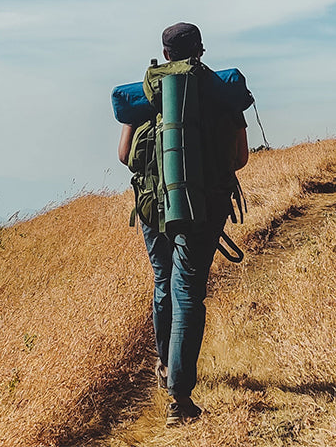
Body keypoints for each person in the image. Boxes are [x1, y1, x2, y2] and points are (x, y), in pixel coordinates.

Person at [116, 22, 249, 426]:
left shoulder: (147, 95)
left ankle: (163, 366)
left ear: (166, 54)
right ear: (201, 50)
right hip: (203, 210)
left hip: (154, 207)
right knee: (188, 291)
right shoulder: (221, 94)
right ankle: (179, 398)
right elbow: (240, 157)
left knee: (163, 284)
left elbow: (124, 156)